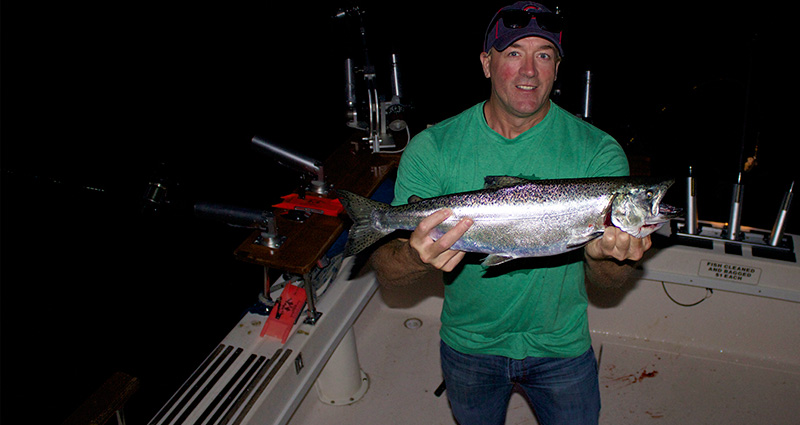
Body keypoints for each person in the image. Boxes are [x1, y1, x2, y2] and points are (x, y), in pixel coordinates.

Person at [368, 2, 652, 424]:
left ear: (557, 69)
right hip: (469, 347)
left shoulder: (599, 152)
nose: (529, 71)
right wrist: (414, 255)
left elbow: (611, 283)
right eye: (514, 53)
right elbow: (388, 271)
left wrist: (606, 257)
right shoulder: (432, 148)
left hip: (561, 348)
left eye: (543, 56)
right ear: (486, 63)